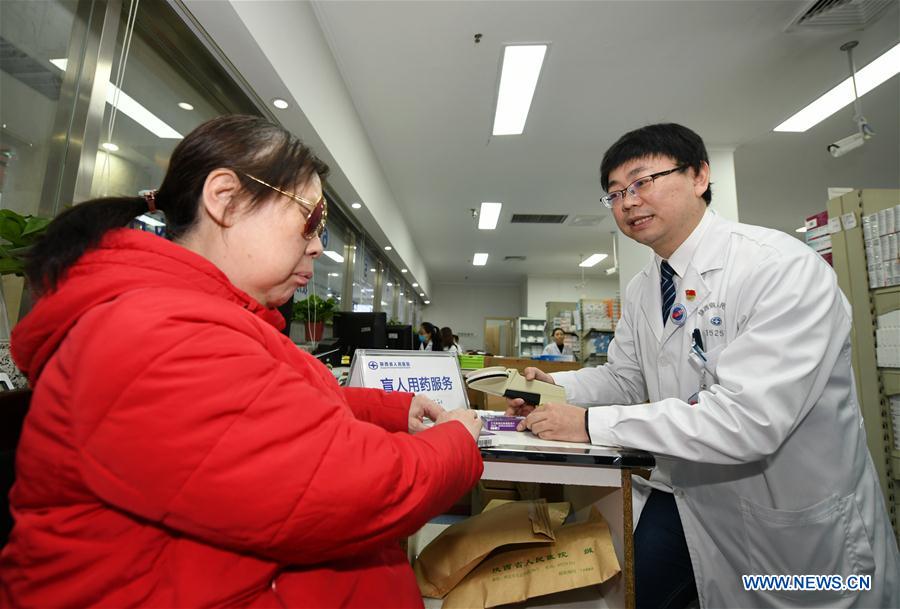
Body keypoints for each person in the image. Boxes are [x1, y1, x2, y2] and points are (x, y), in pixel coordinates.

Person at [0, 115, 484, 608]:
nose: (318, 243)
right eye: (311, 219)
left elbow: (267, 409)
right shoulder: (155, 333)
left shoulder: (187, 320)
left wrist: (393, 411)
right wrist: (457, 442)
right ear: (225, 199)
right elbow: (346, 489)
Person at [507, 123, 899, 608]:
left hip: (789, 518)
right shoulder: (645, 286)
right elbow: (626, 377)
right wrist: (559, 389)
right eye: (613, 194)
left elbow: (749, 419)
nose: (627, 202)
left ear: (699, 176)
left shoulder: (779, 268)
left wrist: (589, 424)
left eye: (641, 182)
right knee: (638, 594)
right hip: (686, 495)